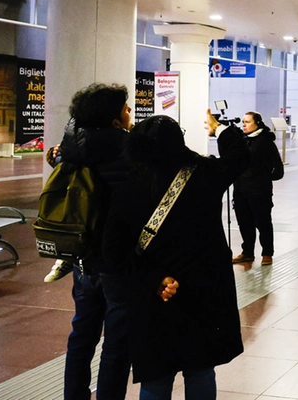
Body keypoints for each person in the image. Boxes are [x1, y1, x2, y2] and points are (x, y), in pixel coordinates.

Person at [102, 110, 251, 400]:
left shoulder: (129, 186)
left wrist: (154, 280)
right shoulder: (206, 174)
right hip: (204, 288)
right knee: (201, 368)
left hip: (156, 293)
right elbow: (240, 156)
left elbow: (113, 250)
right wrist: (220, 128)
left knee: (156, 375)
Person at [56, 83, 135, 400]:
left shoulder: (72, 148)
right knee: (117, 342)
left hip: (82, 257)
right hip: (115, 260)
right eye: (126, 108)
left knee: (82, 335)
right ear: (114, 118)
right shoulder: (125, 149)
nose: (130, 113)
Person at [232, 112, 277, 267]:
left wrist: (262, 178)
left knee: (263, 223)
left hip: (259, 192)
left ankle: (267, 253)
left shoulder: (266, 142)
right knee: (244, 223)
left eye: (247, 122)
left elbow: (278, 169)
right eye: (243, 122)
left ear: (257, 123)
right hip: (240, 190)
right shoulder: (242, 141)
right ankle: (247, 253)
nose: (244, 124)